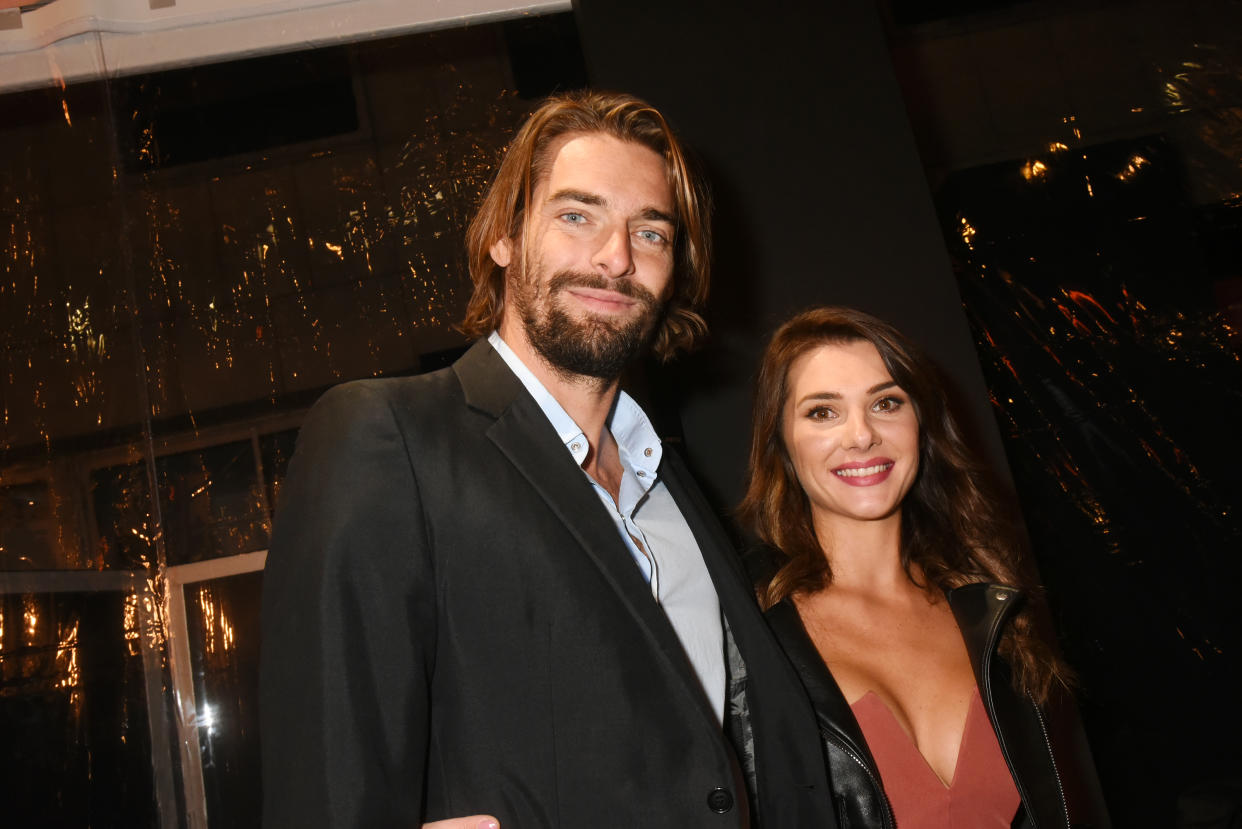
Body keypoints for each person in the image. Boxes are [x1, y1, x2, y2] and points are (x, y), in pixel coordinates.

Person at [260, 91, 835, 828]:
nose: (616, 257)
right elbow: (328, 776)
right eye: (577, 215)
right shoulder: (387, 436)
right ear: (505, 235)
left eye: (650, 233)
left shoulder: (674, 487)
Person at [739, 306, 1110, 828]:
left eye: (886, 402)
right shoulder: (750, 639)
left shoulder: (993, 614)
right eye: (823, 411)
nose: (862, 435)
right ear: (780, 443)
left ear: (921, 424)